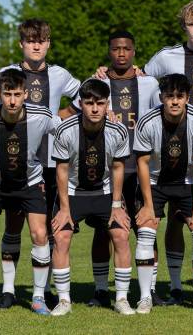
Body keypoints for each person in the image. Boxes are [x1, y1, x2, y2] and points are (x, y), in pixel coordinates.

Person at [96, 0, 193, 303]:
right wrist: (105, 74)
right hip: (168, 153)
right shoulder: (166, 57)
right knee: (164, 222)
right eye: (192, 24)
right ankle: (166, 287)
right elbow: (139, 78)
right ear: (184, 26)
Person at [64, 31, 161, 307]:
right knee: (103, 230)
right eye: (116, 48)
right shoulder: (97, 82)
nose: (121, 53)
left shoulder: (149, 83)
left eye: (127, 48)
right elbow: (70, 115)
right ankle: (100, 289)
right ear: (109, 51)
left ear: (134, 51)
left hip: (140, 167)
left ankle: (148, 289)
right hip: (105, 171)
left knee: (146, 228)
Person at [0, 19, 80, 308]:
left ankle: (46, 288)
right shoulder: (5, 75)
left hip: (51, 164)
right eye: (30, 40)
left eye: (41, 40)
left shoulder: (61, 74)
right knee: (13, 226)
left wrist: (62, 113)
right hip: (14, 161)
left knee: (49, 230)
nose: (36, 45)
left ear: (49, 43)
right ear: (22, 44)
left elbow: (86, 94)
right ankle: (8, 289)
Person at [0, 69, 60, 316]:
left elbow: (68, 130)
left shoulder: (41, 116)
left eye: (17, 94)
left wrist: (109, 117)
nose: (11, 100)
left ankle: (38, 298)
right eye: (7, 94)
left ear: (26, 94)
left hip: (29, 183)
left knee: (40, 234)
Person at [50, 79, 133, 316]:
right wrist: (65, 209)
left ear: (108, 104)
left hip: (105, 192)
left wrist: (117, 206)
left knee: (120, 234)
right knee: (62, 236)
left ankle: (122, 299)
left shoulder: (117, 130)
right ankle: (64, 301)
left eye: (100, 103)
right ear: (81, 104)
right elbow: (62, 171)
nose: (95, 108)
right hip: (74, 192)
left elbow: (118, 168)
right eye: (89, 103)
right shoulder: (65, 130)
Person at [132, 74, 193, 313]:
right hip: (155, 183)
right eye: (169, 96)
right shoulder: (147, 121)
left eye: (179, 96)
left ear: (187, 98)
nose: (174, 101)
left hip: (187, 182)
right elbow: (142, 163)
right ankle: (145, 297)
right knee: (146, 232)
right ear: (161, 98)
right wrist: (147, 204)